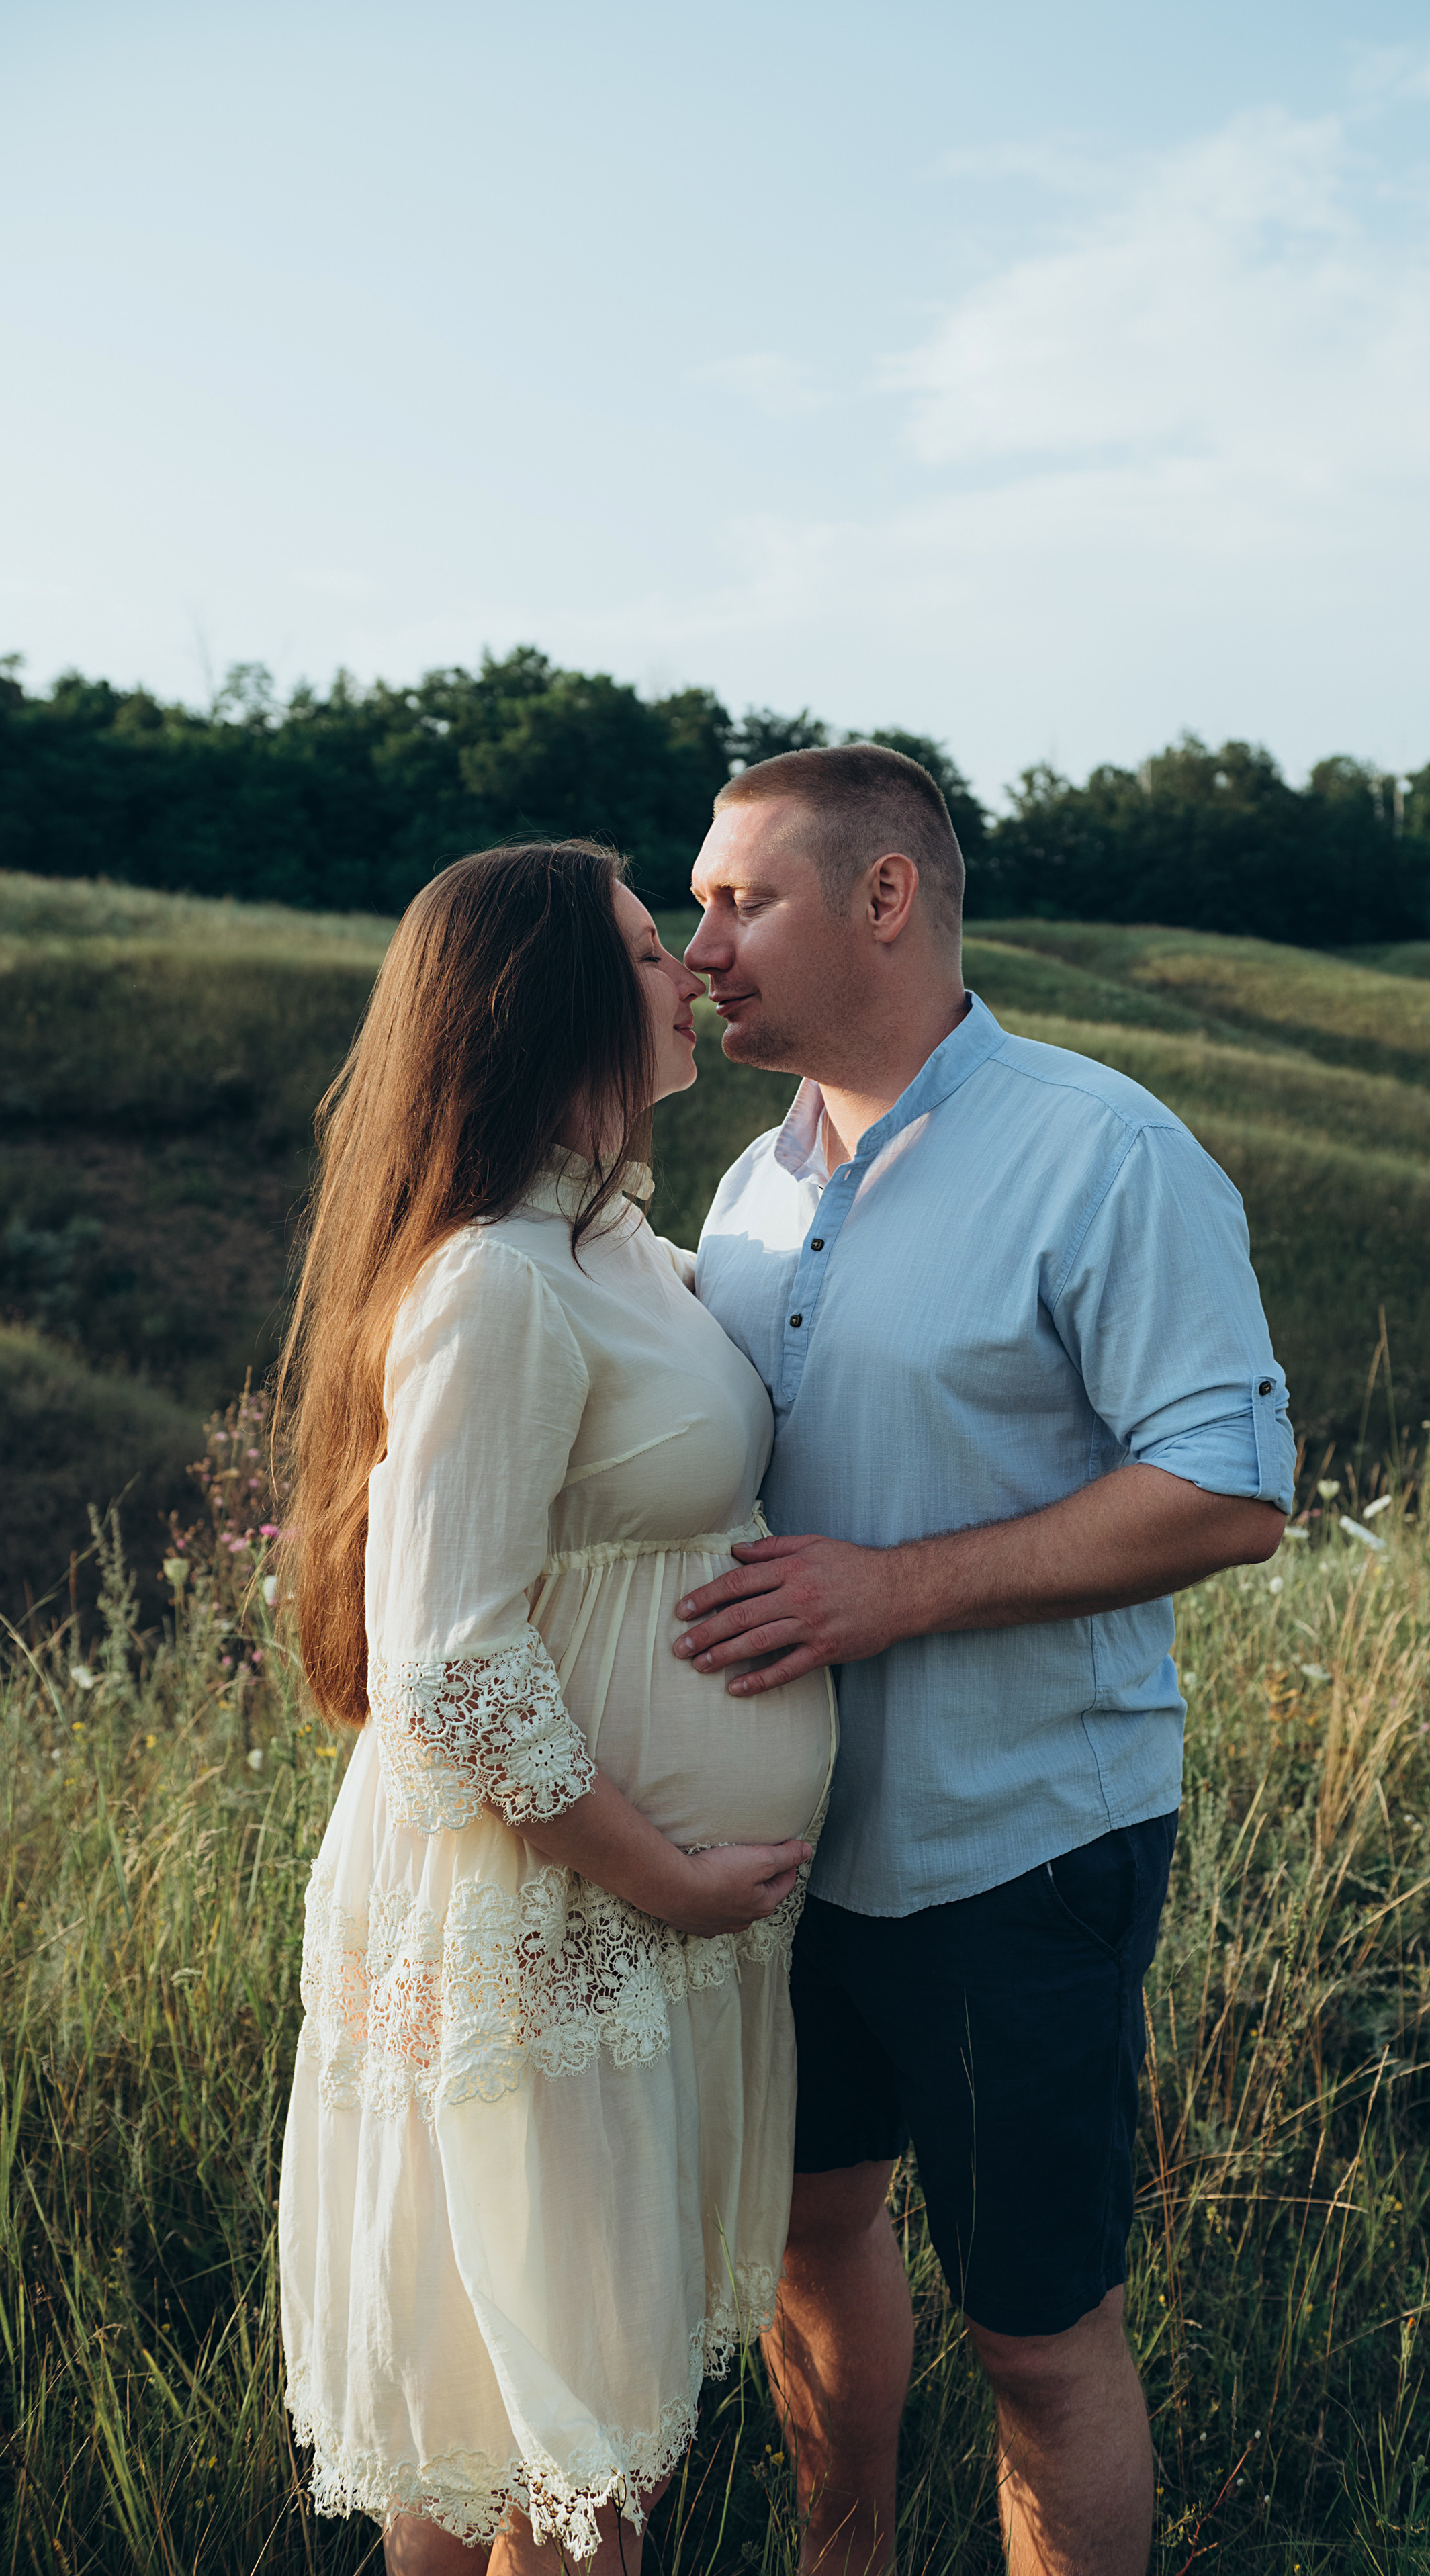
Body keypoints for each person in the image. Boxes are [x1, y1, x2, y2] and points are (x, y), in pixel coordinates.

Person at [676, 745, 1294, 2576]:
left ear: (886, 898)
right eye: (697, 907)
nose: (705, 944)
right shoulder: (745, 1191)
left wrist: (892, 1592)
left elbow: (1229, 1489)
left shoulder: (1103, 1151)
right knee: (813, 2245)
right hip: (780, 1860)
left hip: (1013, 1848)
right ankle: (842, 2559)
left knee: (1036, 2328)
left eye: (742, 899)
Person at [275, 840, 836, 2575]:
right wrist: (659, 1873)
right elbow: (447, 1656)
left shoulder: (619, 1248)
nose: (693, 971)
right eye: (652, 947)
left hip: (616, 1922)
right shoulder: (502, 1276)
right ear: (556, 1001)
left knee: (518, 2426)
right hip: (553, 1910)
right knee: (571, 2456)